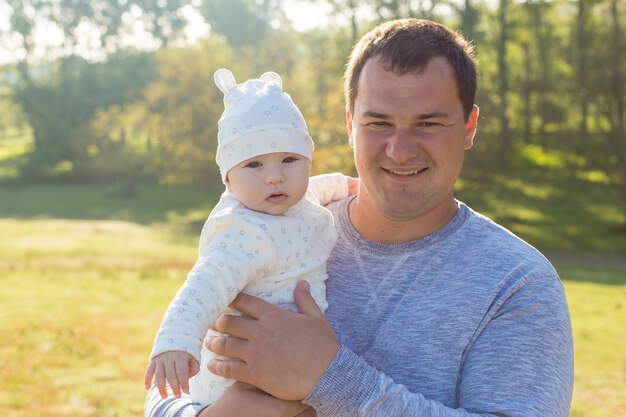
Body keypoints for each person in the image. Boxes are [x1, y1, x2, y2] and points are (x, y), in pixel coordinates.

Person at [145, 18, 574, 417]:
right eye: (379, 123)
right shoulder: (281, 227)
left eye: (428, 123)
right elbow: (165, 389)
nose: (400, 149)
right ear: (350, 124)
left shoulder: (518, 284)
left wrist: (329, 379)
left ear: (468, 127)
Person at [144, 68, 352, 413]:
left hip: (295, 364)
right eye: (254, 165)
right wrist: (176, 344)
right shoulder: (243, 231)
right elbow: (203, 287)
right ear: (228, 178)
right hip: (239, 380)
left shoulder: (300, 199)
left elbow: (319, 186)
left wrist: (346, 185)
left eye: (289, 159)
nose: (274, 177)